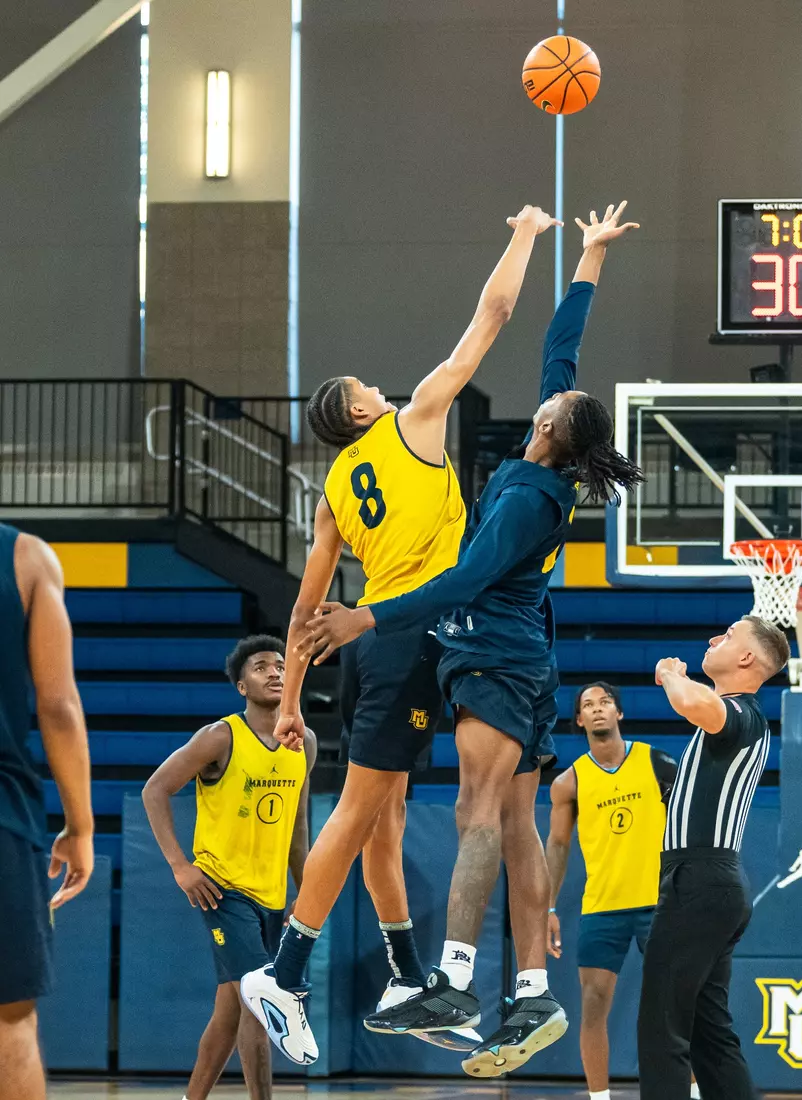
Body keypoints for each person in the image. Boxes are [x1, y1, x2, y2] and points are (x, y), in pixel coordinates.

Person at [300, 202, 643, 1078]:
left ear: (553, 427)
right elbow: (561, 347)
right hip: (525, 658)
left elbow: (462, 580)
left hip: (493, 653)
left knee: (475, 812)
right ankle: (531, 993)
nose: (551, 388)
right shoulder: (546, 453)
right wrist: (590, 259)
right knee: (518, 824)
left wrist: (366, 617)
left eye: (554, 399)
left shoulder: (528, 496)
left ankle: (453, 982)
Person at [240, 205, 560, 1064]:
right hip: (409, 634)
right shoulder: (414, 418)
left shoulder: (334, 491)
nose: (378, 388)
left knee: (384, 818)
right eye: (364, 388)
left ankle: (406, 976)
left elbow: (306, 611)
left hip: (372, 642)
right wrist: (525, 235)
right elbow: (492, 315)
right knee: (358, 811)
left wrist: (293, 701)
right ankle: (285, 972)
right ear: (357, 410)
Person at [142, 636, 316, 1095]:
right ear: (242, 686)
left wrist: (307, 893)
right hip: (222, 889)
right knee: (259, 1000)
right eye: (261, 667)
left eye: (280, 665)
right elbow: (155, 790)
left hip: (271, 895)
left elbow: (298, 826)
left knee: (230, 1010)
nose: (275, 672)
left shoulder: (304, 742)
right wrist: (180, 866)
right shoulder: (220, 736)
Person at [636, 615, 790, 1100]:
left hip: (700, 879)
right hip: (712, 883)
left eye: (727, 635)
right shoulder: (742, 718)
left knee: (661, 1028)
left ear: (746, 657)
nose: (713, 638)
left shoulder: (742, 713)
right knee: (709, 1033)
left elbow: (690, 702)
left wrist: (670, 672)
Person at [545, 682, 685, 1100]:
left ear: (619, 713)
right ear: (580, 719)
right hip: (602, 908)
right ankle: (599, 1097)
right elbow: (557, 846)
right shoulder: (569, 782)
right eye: (588, 705)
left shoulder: (657, 763)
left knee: (678, 1005)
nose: (598, 709)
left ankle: (694, 1091)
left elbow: (688, 826)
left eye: (605, 702)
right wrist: (548, 908)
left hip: (659, 904)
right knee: (593, 1006)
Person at [0, 524, 94, 1100]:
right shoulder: (26, 558)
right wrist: (80, 827)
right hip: (3, 819)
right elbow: (58, 705)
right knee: (9, 1020)